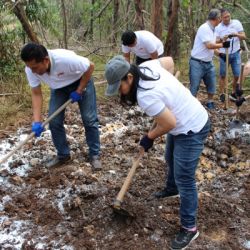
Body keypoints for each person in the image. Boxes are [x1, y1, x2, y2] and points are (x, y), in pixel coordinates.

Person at [104, 55, 210, 250]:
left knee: (185, 178)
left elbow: (169, 123)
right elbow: (170, 61)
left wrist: (149, 137)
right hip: (181, 120)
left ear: (128, 77)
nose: (120, 93)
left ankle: (189, 228)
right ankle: (172, 189)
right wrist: (168, 93)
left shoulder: (146, 96)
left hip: (192, 126)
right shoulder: (146, 66)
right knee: (170, 157)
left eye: (119, 87)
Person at [20, 43, 102, 170]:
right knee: (54, 121)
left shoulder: (65, 59)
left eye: (35, 67)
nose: (33, 71)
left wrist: (80, 89)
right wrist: (37, 121)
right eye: (30, 68)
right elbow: (36, 94)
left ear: (46, 60)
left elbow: (90, 66)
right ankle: (63, 155)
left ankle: (95, 154)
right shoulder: (31, 69)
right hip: (58, 88)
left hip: (81, 81)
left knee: (89, 119)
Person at [189, 9, 230, 109]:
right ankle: (190, 104)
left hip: (208, 62)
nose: (221, 19)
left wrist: (220, 54)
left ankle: (210, 102)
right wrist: (222, 45)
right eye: (220, 17)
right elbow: (209, 45)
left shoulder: (213, 29)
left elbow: (212, 46)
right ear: (216, 18)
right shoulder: (204, 28)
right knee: (194, 85)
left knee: (211, 83)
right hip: (197, 62)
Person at [215, 9, 246, 102]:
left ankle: (233, 92)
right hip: (224, 54)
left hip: (236, 53)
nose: (227, 18)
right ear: (221, 18)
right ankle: (221, 94)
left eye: (228, 16)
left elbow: (244, 36)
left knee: (237, 74)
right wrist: (222, 39)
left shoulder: (236, 23)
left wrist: (236, 34)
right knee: (223, 75)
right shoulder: (218, 28)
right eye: (225, 17)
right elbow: (215, 41)